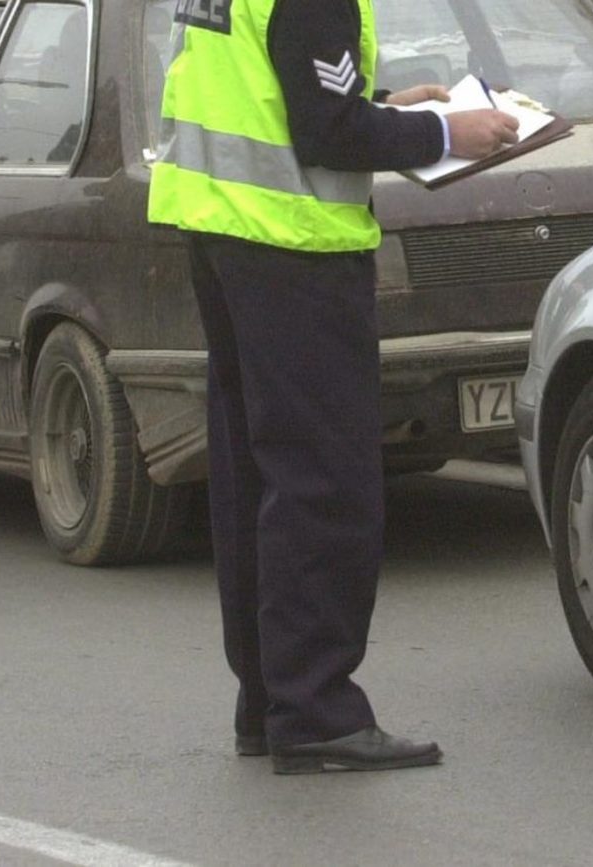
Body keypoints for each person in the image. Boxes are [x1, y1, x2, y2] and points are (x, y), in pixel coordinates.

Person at [147, 0, 519, 774]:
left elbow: (277, 96)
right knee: (325, 481)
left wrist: (383, 105)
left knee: (257, 477)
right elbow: (325, 133)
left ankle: (271, 701)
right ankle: (315, 709)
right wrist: (451, 132)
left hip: (224, 232)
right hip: (294, 247)